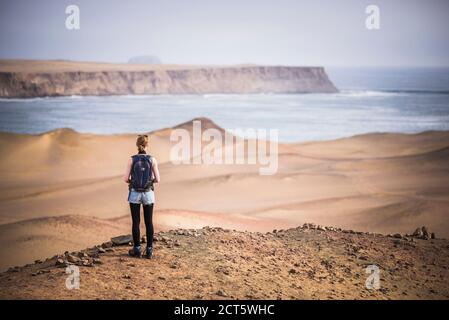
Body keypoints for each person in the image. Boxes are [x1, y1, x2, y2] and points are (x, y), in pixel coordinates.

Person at [123, 134, 160, 258]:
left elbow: (125, 179)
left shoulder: (131, 159)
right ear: (147, 145)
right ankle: (149, 251)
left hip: (134, 193)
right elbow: (158, 179)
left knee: (136, 222)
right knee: (149, 222)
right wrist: (150, 181)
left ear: (137, 145)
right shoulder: (152, 159)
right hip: (148, 193)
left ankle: (137, 249)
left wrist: (133, 182)